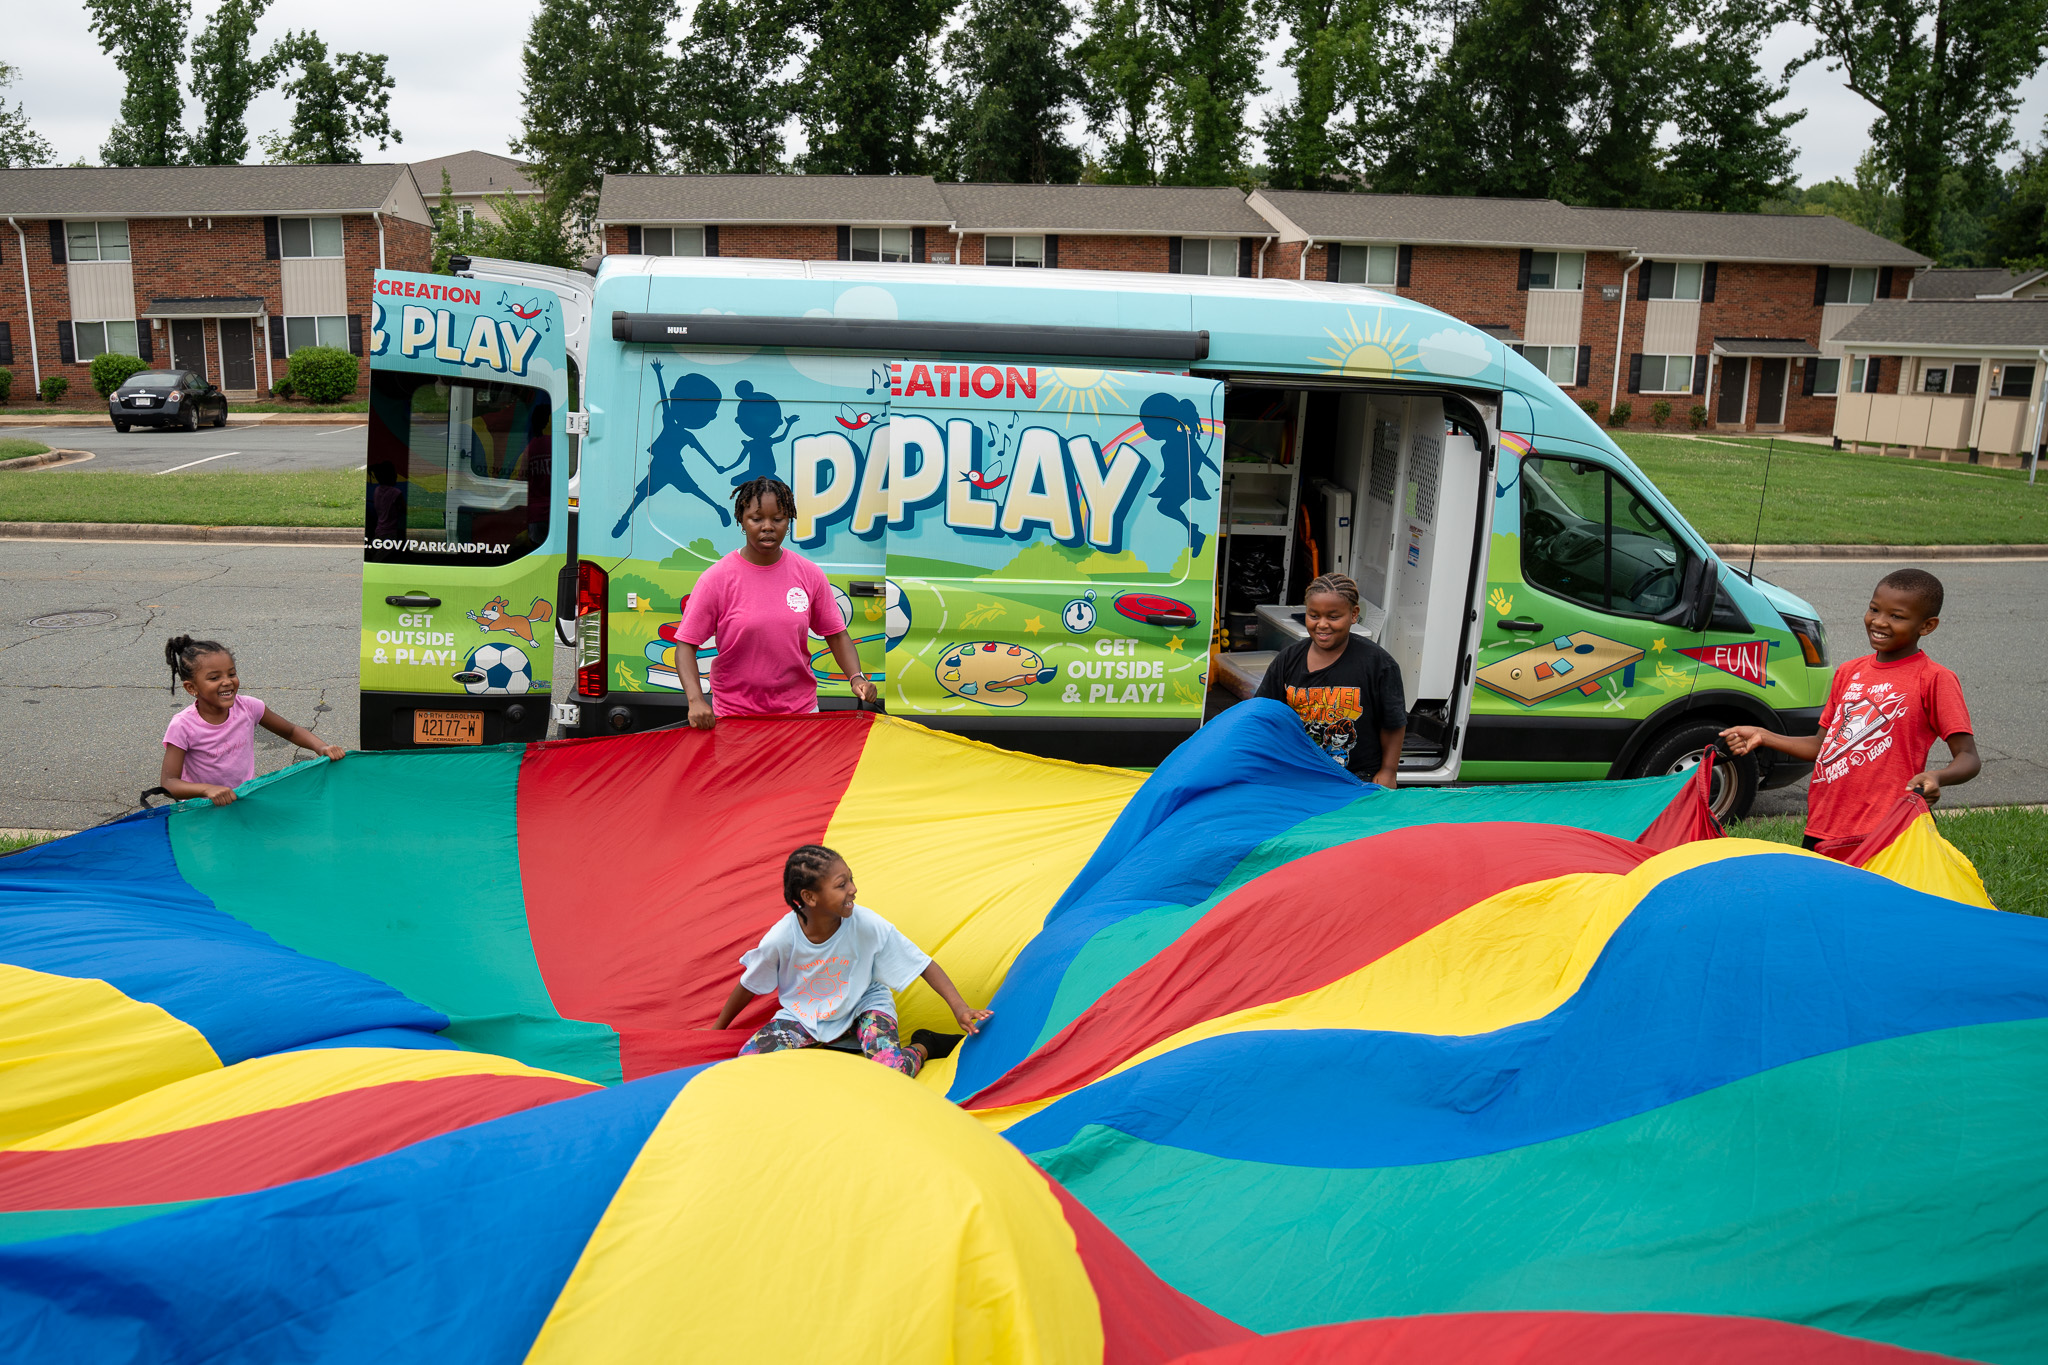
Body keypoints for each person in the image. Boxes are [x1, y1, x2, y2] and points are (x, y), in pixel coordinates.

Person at [1723, 568, 1979, 851]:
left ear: (1927, 625)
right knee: (1819, 896)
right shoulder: (1849, 672)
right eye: (1874, 609)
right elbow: (1822, 745)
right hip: (1825, 823)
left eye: (1897, 616)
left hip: (1886, 829)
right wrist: (1763, 734)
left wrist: (1936, 777)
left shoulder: (1934, 678)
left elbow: (1968, 757)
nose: (1879, 622)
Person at [714, 845, 993, 1077]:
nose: (853, 889)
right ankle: (829, 1046)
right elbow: (749, 983)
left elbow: (922, 963)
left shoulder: (866, 923)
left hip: (864, 1006)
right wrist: (717, 1030)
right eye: (841, 885)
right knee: (748, 1063)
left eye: (850, 879)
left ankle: (925, 1045)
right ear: (809, 897)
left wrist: (959, 1008)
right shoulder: (781, 938)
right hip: (806, 1016)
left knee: (892, 1070)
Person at [676, 476, 879, 728]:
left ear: (789, 521)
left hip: (799, 715)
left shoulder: (809, 574)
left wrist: (856, 678)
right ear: (741, 520)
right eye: (757, 518)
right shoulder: (716, 579)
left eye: (778, 519)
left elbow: (836, 635)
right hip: (735, 717)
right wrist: (695, 700)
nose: (768, 526)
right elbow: (686, 645)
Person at [1255, 572, 1407, 785]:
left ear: (1354, 614)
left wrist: (1389, 771)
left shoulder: (1378, 663)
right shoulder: (1288, 659)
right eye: (1314, 615)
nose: (1322, 625)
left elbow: (1393, 723)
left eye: (1333, 617)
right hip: (1299, 774)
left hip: (1357, 778)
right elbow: (1263, 715)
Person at [161, 636, 345, 807]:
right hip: (201, 809)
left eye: (231, 674)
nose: (227, 682)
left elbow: (291, 731)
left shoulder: (249, 707)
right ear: (191, 687)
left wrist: (321, 747)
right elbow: (169, 784)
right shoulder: (183, 726)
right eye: (214, 678)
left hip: (242, 800)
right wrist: (207, 790)